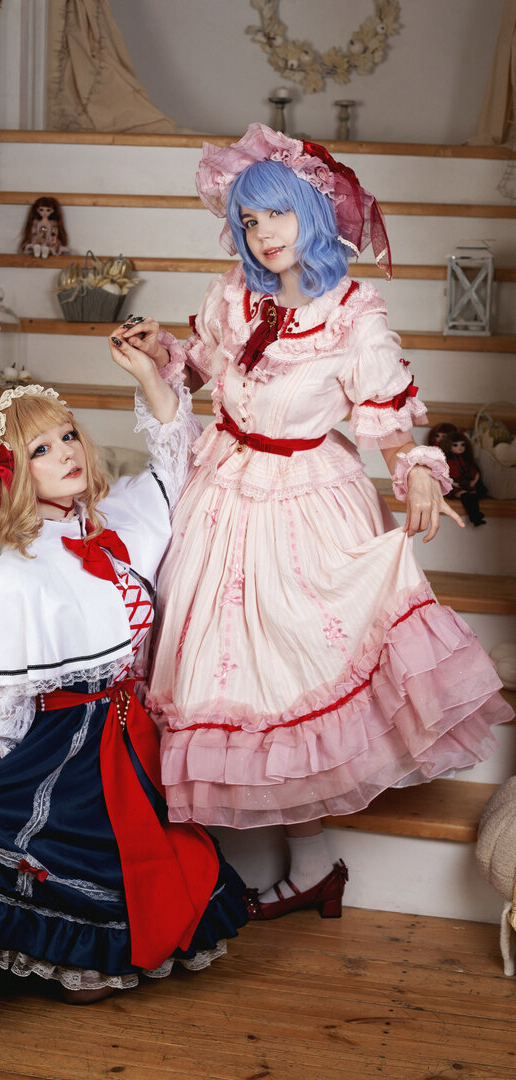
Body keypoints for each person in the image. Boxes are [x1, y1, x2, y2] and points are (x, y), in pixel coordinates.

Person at [115, 125, 513, 922]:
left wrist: (419, 473)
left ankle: (309, 864)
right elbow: (203, 368)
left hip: (305, 502)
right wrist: (163, 352)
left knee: (293, 676)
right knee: (231, 680)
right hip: (222, 492)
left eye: (277, 214)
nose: (264, 234)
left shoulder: (354, 314)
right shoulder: (231, 296)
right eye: (249, 220)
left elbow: (389, 420)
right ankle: (279, 866)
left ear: (313, 211)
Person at [0, 340, 248, 1000]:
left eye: (68, 436)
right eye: (41, 449)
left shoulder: (125, 515)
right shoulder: (15, 575)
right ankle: (67, 952)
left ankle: (98, 947)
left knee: (140, 857)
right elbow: (0, 699)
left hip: (135, 732)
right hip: (65, 745)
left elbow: (178, 458)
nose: (67, 453)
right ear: (11, 475)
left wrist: (149, 375)